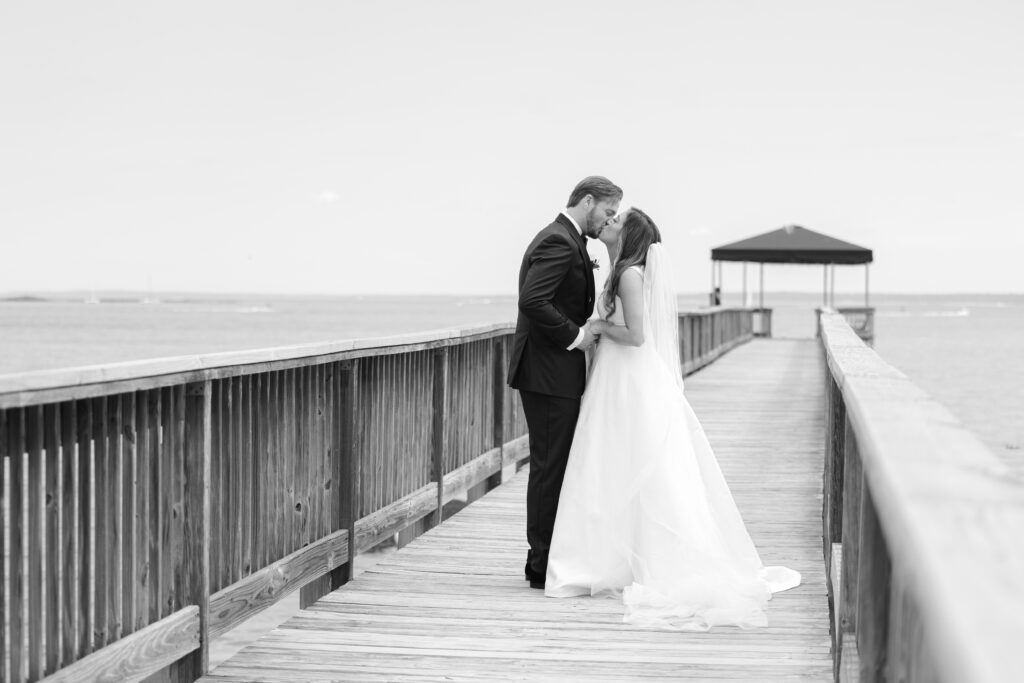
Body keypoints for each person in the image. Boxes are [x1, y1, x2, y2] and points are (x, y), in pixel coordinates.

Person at [544, 207, 801, 630]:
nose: (610, 221)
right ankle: (611, 555)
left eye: (618, 221)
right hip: (619, 377)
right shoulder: (623, 270)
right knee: (616, 461)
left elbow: (637, 336)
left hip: (628, 376)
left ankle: (619, 558)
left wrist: (599, 328)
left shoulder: (629, 275)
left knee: (628, 461)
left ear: (630, 236)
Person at [508, 176, 623, 590]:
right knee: (549, 468)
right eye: (608, 211)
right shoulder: (558, 240)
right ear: (587, 201)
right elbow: (533, 300)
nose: (608, 220)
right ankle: (539, 564)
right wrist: (576, 336)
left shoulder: (566, 239)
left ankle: (545, 555)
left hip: (551, 372)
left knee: (552, 464)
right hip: (548, 372)